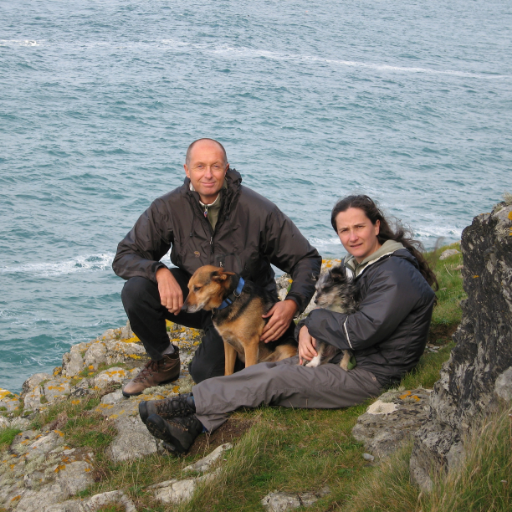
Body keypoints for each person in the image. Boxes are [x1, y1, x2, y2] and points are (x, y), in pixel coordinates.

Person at [138, 195, 438, 454]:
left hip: (371, 375)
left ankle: (182, 406)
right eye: (344, 230)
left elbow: (360, 330)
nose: (352, 236)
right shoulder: (361, 266)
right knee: (270, 368)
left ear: (376, 226)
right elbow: (336, 315)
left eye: (359, 227)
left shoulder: (395, 274)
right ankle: (192, 427)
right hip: (343, 358)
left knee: (275, 382)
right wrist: (308, 326)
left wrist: (313, 321)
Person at [112, 138, 321, 396]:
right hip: (198, 297)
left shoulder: (258, 210)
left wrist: (292, 303)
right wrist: (159, 271)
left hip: (246, 307)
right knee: (137, 290)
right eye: (200, 167)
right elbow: (124, 256)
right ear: (187, 170)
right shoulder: (168, 208)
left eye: (216, 166)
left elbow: (306, 258)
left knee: (205, 374)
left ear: (227, 169)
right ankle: (164, 361)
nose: (208, 175)